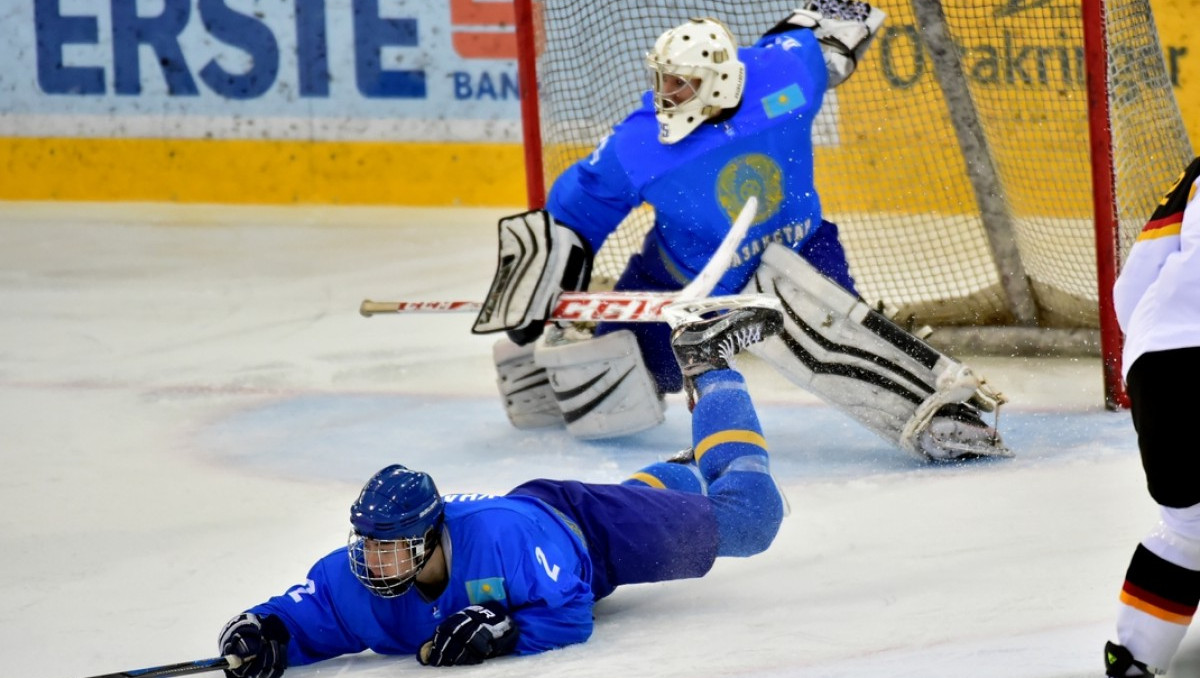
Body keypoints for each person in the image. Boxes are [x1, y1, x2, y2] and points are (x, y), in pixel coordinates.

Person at [474, 4, 1009, 462]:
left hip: (799, 252)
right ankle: (542, 371)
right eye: (662, 79)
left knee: (848, 340)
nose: (665, 94)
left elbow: (825, 30)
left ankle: (944, 411)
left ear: (718, 82)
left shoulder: (788, 76)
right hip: (684, 279)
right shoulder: (638, 145)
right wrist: (536, 291)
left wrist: (838, 26)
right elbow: (574, 211)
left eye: (680, 83)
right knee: (633, 381)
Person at [217, 302, 787, 676]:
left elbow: (570, 611)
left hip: (589, 533)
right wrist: (264, 629)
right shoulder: (355, 576)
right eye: (367, 544)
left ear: (429, 537)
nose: (373, 560)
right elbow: (311, 613)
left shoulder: (502, 539)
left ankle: (709, 363)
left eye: (388, 547)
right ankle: (677, 474)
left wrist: (510, 631)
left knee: (752, 519)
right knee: (675, 496)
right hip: (548, 531)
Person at [1104, 156, 1200, 677]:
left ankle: (1135, 660)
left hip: (1160, 359)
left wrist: (1151, 350)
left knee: (1188, 528)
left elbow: (1133, 284)